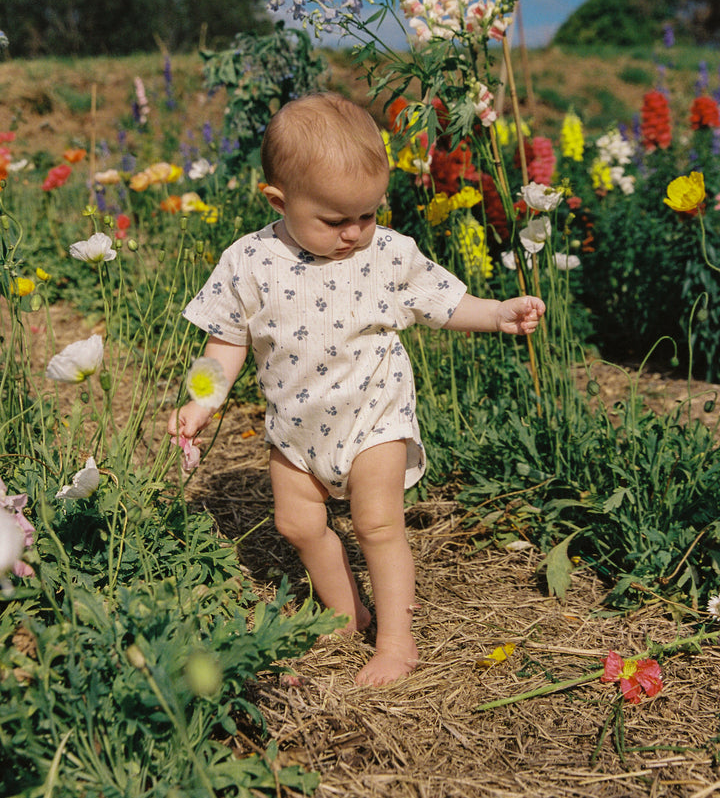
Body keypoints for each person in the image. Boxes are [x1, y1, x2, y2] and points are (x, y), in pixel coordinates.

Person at [168, 93, 545, 686]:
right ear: (279, 200)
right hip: (295, 429)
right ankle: (346, 612)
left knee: (377, 525)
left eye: (367, 216)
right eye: (336, 220)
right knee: (296, 525)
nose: (355, 233)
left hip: (375, 415)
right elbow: (226, 341)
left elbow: (440, 301)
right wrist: (203, 398)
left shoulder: (388, 254)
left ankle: (397, 642)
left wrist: (497, 313)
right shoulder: (248, 260)